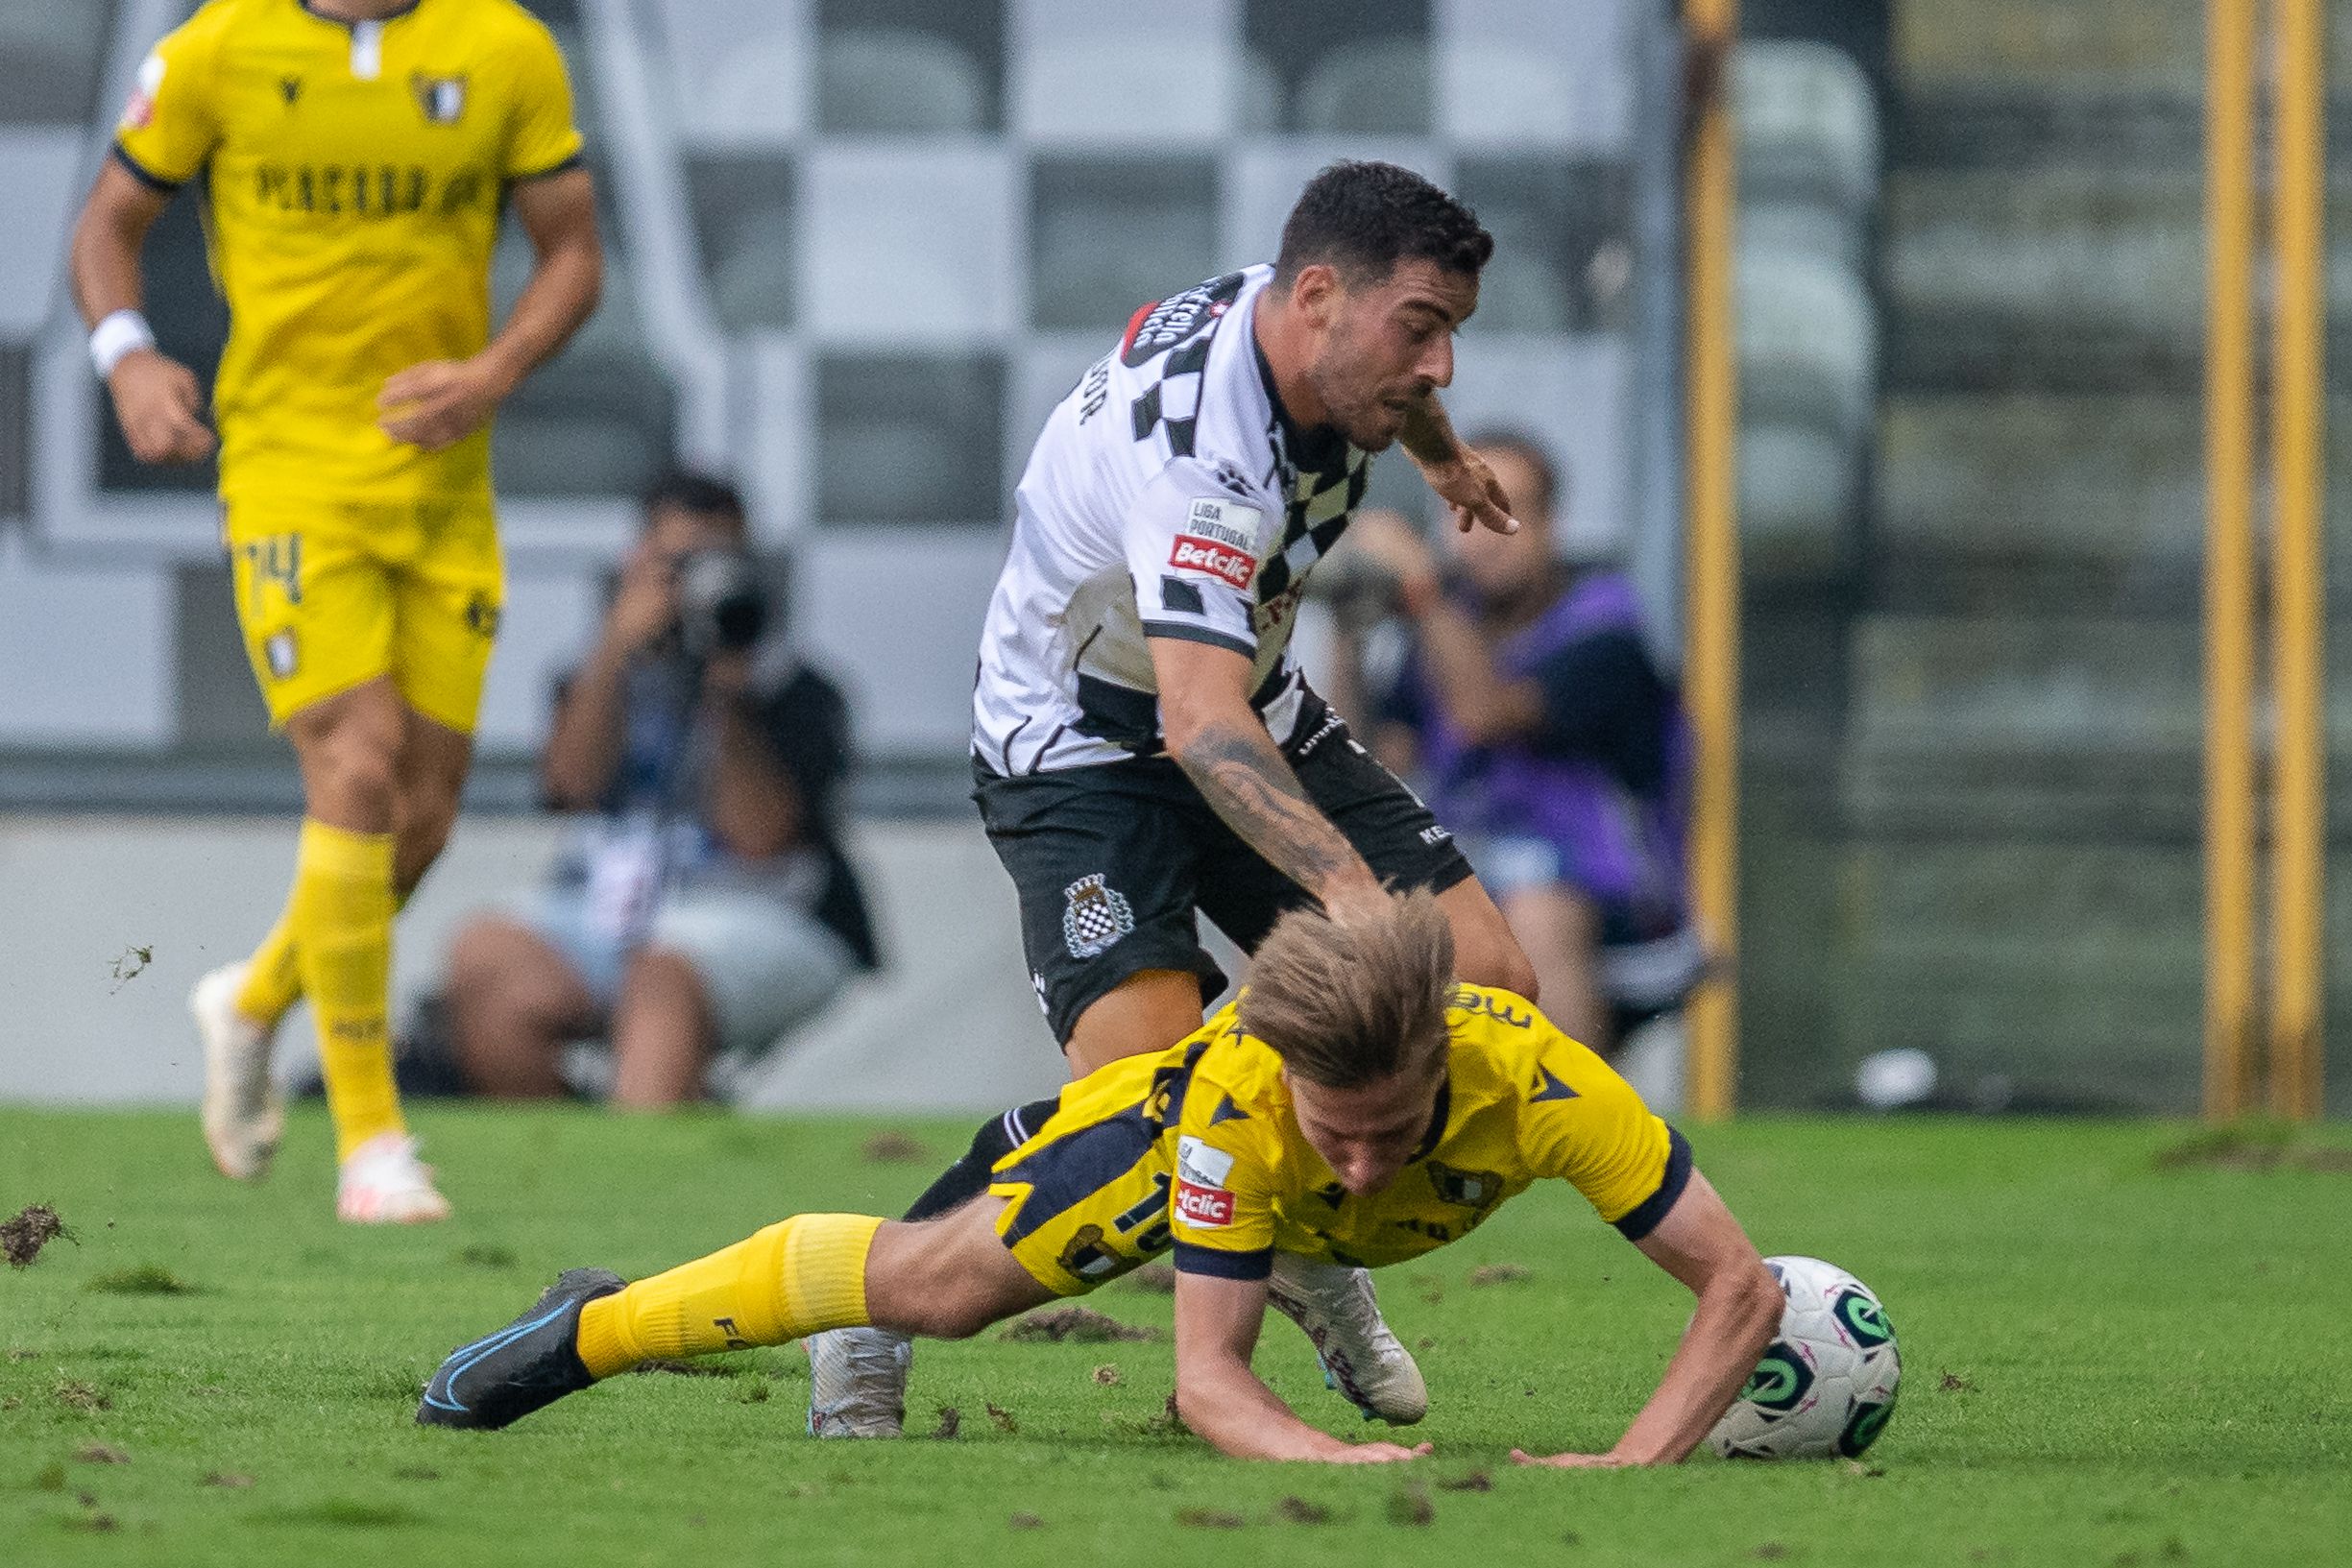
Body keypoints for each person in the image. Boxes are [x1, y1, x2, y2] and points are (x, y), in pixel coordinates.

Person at [800, 159, 1540, 1436]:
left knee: (1485, 988)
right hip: (1082, 744)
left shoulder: (1304, 326)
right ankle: (875, 1300)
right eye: (1423, 331)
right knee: (1148, 1110)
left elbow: (1227, 695)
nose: (1439, 364)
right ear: (1319, 297)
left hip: (1246, 704)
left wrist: (1443, 455)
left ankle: (1301, 1245)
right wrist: (1351, 899)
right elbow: (1196, 728)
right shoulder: (1207, 463)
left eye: (1452, 334)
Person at [417, 890, 1782, 1468]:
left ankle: (1308, 1251)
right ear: (1290, 1081)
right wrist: (1339, 1461)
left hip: (1270, 1189)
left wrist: (1628, 1461)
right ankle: (587, 1327)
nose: (1363, 1159)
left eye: (1392, 1127)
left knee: (1313, 1214)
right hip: (1164, 1130)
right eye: (1334, 1129)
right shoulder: (1242, 1105)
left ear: (1440, 1057)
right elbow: (1207, 1383)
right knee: (934, 1288)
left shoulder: (1548, 1084)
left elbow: (1739, 1282)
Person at [68, 0, 603, 1220]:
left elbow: (573, 250)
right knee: (355, 771)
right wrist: (127, 354)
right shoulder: (217, 48)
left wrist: (494, 370)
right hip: (289, 469)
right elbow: (110, 220)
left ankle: (251, 998)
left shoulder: (502, 46)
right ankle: (370, 1142)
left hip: (444, 483)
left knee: (416, 827)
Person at [440, 473, 878, 1106]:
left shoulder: (798, 688)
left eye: (718, 562)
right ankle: (562, 1162)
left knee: (661, 972)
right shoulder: (599, 673)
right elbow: (568, 787)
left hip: (763, 911)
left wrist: (728, 692)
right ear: (638, 561)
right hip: (604, 902)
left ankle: (640, 1162)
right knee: (484, 956)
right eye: (678, 563)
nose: (698, 582)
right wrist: (614, 646)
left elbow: (761, 837)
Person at [1340, 435, 1702, 1061]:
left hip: (1620, 903)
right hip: (1465, 868)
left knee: (1531, 907)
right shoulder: (1438, 629)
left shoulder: (1605, 630)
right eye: (1458, 515)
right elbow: (1364, 761)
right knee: (1316, 901)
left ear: (1548, 524)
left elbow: (1484, 715)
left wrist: (1424, 589)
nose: (1476, 536)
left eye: (1498, 513)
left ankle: (1573, 1128)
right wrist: (1348, 626)